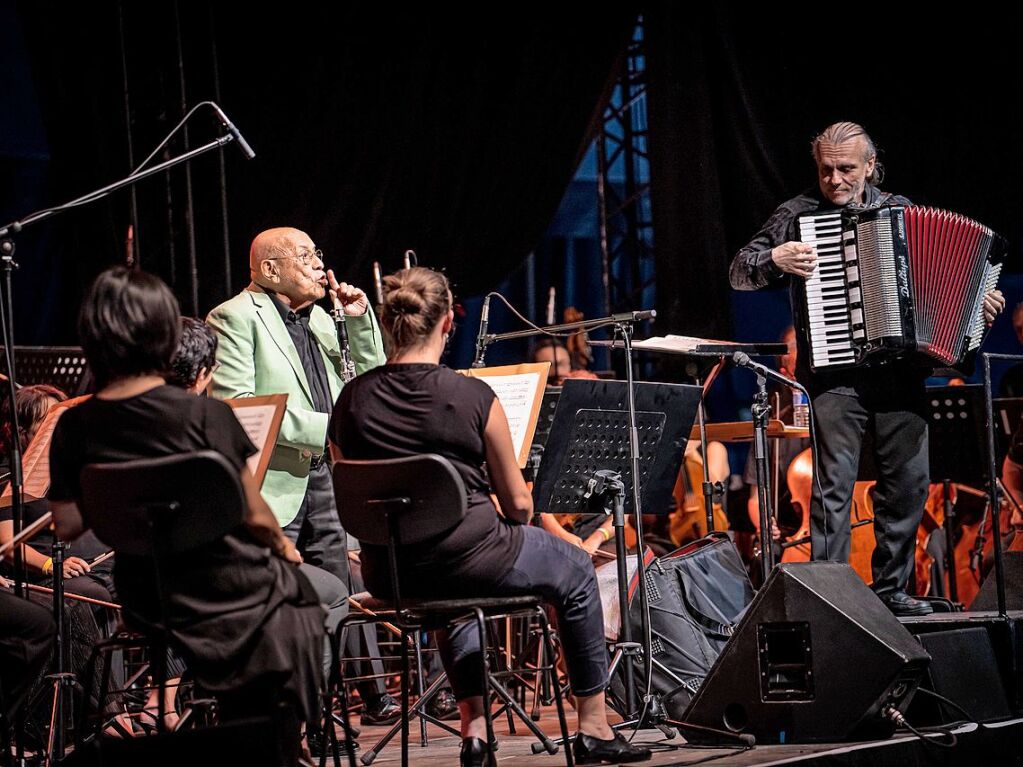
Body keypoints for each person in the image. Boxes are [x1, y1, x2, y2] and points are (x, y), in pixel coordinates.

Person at [330, 266, 651, 766]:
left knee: (450, 591)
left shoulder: (350, 399)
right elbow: (520, 505)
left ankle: (474, 730)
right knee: (573, 569)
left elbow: (349, 481)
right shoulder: (473, 396)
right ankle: (593, 726)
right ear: (447, 325)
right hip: (473, 557)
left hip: (392, 569)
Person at [729, 121, 1005, 616]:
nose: (834, 179)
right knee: (832, 487)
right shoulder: (798, 215)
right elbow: (740, 271)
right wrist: (775, 257)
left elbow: (952, 298)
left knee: (909, 484)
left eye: (846, 169)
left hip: (901, 377)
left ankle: (889, 592)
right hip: (836, 378)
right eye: (826, 169)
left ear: (870, 167)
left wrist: (978, 313)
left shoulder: (901, 211)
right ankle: (829, 595)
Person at [48, 266, 326, 730]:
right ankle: (271, 732)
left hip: (145, 593)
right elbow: (254, 513)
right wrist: (283, 547)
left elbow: (67, 524)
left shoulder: (75, 425)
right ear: (162, 333)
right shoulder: (206, 413)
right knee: (301, 601)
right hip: (224, 586)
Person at [206, 228, 398, 727]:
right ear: (270, 269)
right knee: (282, 597)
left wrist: (357, 322)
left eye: (318, 254)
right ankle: (286, 712)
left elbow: (368, 383)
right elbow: (237, 405)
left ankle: (353, 699)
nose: (319, 265)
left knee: (338, 587)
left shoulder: (318, 320)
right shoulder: (234, 317)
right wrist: (330, 431)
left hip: (327, 477)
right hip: (272, 483)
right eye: (306, 256)